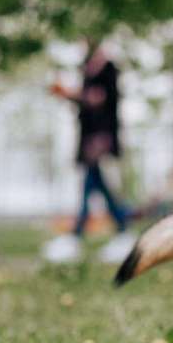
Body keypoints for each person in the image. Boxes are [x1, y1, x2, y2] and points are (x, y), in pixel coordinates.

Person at [43, 42, 135, 264]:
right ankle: (121, 229)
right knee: (97, 185)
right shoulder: (87, 69)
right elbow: (87, 102)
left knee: (90, 184)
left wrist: (70, 94)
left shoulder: (107, 69)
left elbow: (97, 99)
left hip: (99, 137)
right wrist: (69, 96)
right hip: (88, 136)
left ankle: (77, 235)